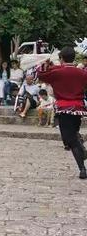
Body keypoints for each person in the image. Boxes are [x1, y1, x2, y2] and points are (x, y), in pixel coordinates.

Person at [38, 47, 87, 179]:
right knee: (73, 134)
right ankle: (80, 146)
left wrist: (45, 64)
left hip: (64, 108)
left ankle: (82, 167)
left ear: (61, 59)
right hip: (78, 108)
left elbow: (41, 75)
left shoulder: (57, 72)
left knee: (69, 140)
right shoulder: (81, 72)